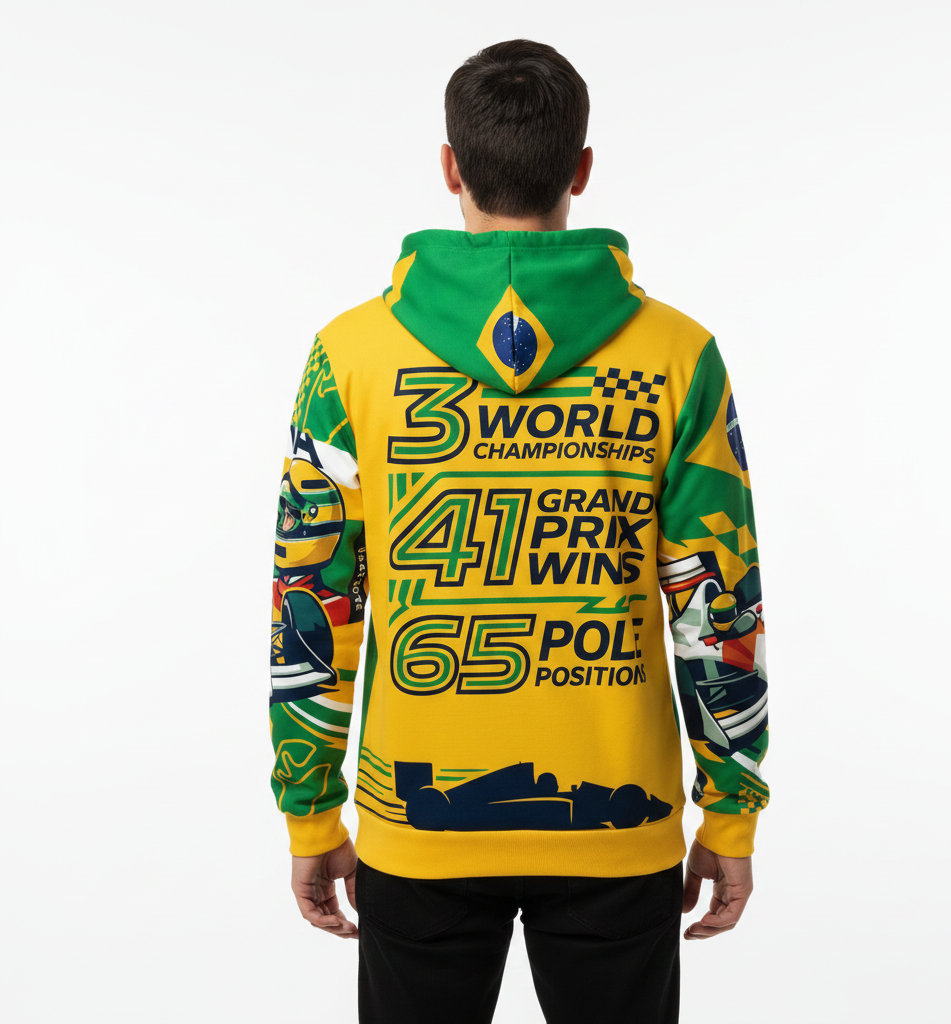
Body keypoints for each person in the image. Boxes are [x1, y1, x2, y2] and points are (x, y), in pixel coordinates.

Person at [269, 38, 769, 1024]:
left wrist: (311, 811)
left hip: (417, 827)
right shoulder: (679, 355)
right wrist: (731, 814)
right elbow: (720, 604)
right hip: (617, 824)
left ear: (449, 167)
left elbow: (312, 602)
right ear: (580, 169)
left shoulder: (348, 356)